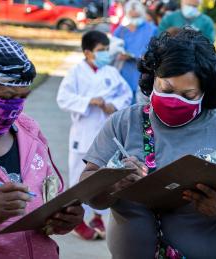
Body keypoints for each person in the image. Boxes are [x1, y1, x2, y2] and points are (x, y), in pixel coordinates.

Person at [80, 28, 216, 258]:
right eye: (166, 88)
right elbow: (87, 189)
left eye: (188, 95)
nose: (175, 101)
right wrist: (113, 182)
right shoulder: (124, 122)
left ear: (206, 92)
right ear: (152, 76)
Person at [0, 33, 84, 258]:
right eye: (6, 96)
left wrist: (64, 219)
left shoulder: (29, 131)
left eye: (22, 97)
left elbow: (52, 194)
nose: (14, 108)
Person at [56, 30, 132, 240]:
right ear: (88, 53)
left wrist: (113, 105)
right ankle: (76, 220)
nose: (105, 54)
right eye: (101, 50)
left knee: (106, 175)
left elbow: (126, 94)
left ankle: (98, 215)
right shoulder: (76, 73)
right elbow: (63, 98)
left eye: (107, 50)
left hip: (106, 132)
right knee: (79, 177)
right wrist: (89, 101)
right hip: (84, 132)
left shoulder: (111, 72)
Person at [114, 0, 157, 103]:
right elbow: (112, 46)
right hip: (125, 71)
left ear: (142, 15)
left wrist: (134, 56)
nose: (134, 20)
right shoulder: (121, 30)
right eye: (132, 17)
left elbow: (155, 51)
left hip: (144, 71)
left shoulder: (152, 30)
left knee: (141, 104)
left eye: (137, 17)